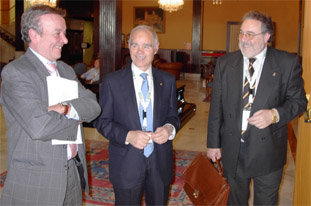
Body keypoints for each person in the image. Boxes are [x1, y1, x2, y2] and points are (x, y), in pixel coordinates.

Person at [0, 5, 101, 205]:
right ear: (33, 35)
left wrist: (65, 109)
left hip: (72, 172)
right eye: (58, 33)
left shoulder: (65, 70)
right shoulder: (16, 73)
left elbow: (93, 105)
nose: (65, 40)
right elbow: (40, 126)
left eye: (64, 33)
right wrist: (78, 116)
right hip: (37, 178)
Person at [206, 10, 307, 205]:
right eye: (242, 33)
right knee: (234, 201)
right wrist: (213, 143)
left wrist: (275, 114)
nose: (244, 39)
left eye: (250, 34)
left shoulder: (286, 63)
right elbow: (216, 107)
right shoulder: (225, 63)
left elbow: (299, 102)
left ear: (267, 37)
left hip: (268, 151)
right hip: (233, 149)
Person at [94, 25, 180, 205]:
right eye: (135, 45)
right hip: (127, 162)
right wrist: (128, 135)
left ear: (156, 48)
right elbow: (102, 122)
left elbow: (173, 116)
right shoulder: (112, 81)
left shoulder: (168, 80)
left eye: (146, 46)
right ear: (129, 47)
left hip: (159, 161)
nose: (140, 51)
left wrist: (168, 129)